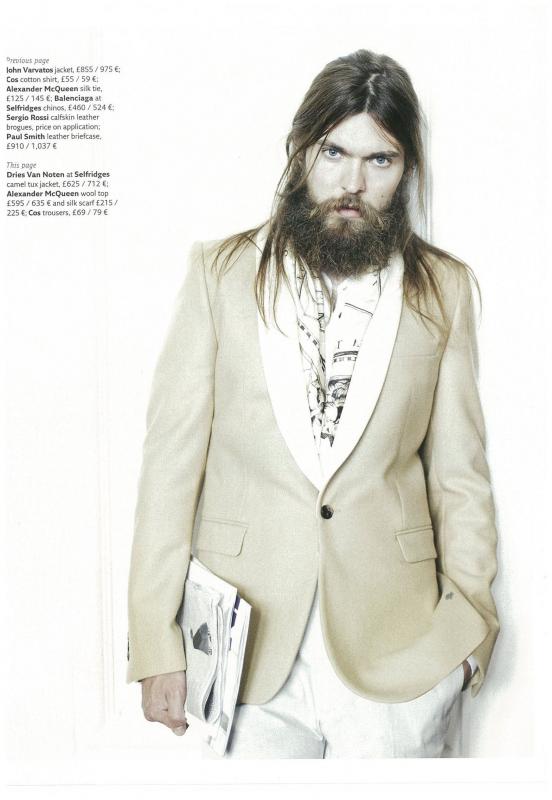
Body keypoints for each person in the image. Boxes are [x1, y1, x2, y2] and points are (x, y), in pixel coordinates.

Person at [126, 49, 500, 758]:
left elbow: (461, 477)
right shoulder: (219, 274)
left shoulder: (442, 288)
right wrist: (155, 640)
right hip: (245, 655)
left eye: (380, 160)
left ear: (406, 169)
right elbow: (169, 468)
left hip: (400, 653)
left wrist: (469, 632)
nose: (352, 184)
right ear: (302, 150)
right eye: (335, 153)